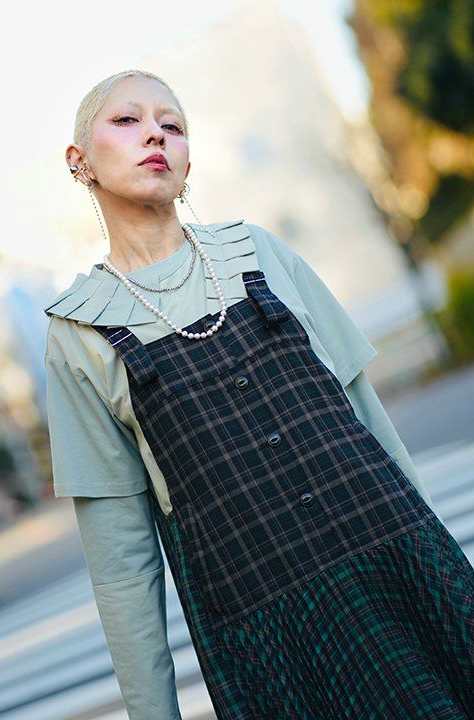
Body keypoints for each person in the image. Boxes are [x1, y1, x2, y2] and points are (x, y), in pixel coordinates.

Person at [43, 69, 474, 720]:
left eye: (172, 125)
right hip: (269, 635)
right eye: (127, 120)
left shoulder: (259, 251)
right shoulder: (78, 331)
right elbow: (122, 561)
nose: (155, 134)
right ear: (79, 161)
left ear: (189, 164)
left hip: (395, 563)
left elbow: (369, 423)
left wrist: (438, 570)